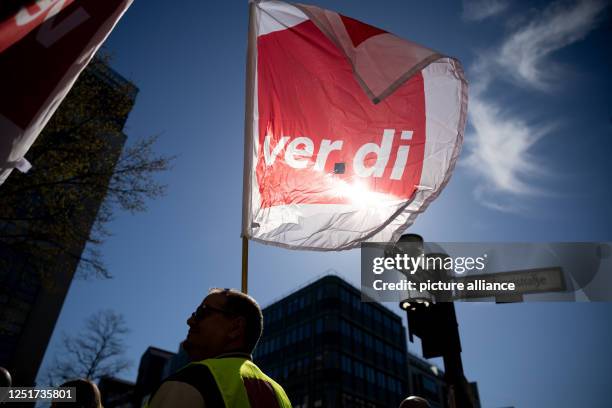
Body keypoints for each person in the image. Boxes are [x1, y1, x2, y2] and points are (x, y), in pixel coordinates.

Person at [147, 288, 291, 408]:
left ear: (235, 327)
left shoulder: (194, 378)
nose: (190, 321)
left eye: (202, 312)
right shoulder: (281, 395)